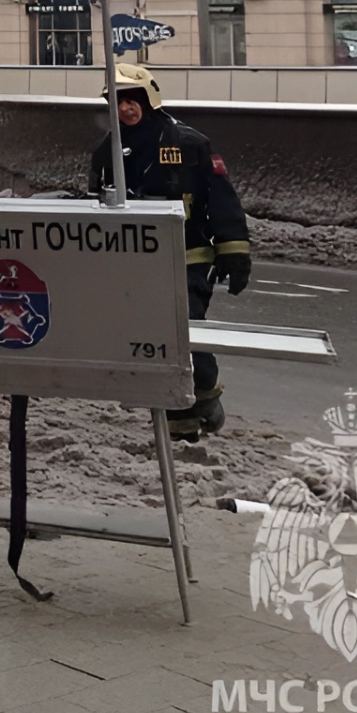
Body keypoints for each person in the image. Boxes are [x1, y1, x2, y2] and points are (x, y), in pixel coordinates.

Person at [87, 61, 252, 438]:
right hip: (134, 263)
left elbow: (221, 199)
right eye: (118, 101)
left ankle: (206, 399)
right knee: (153, 340)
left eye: (132, 100)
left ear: (149, 98)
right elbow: (96, 208)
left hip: (186, 257)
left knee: (184, 332)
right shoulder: (106, 153)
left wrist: (234, 252)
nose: (126, 108)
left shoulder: (188, 143)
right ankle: (181, 426)